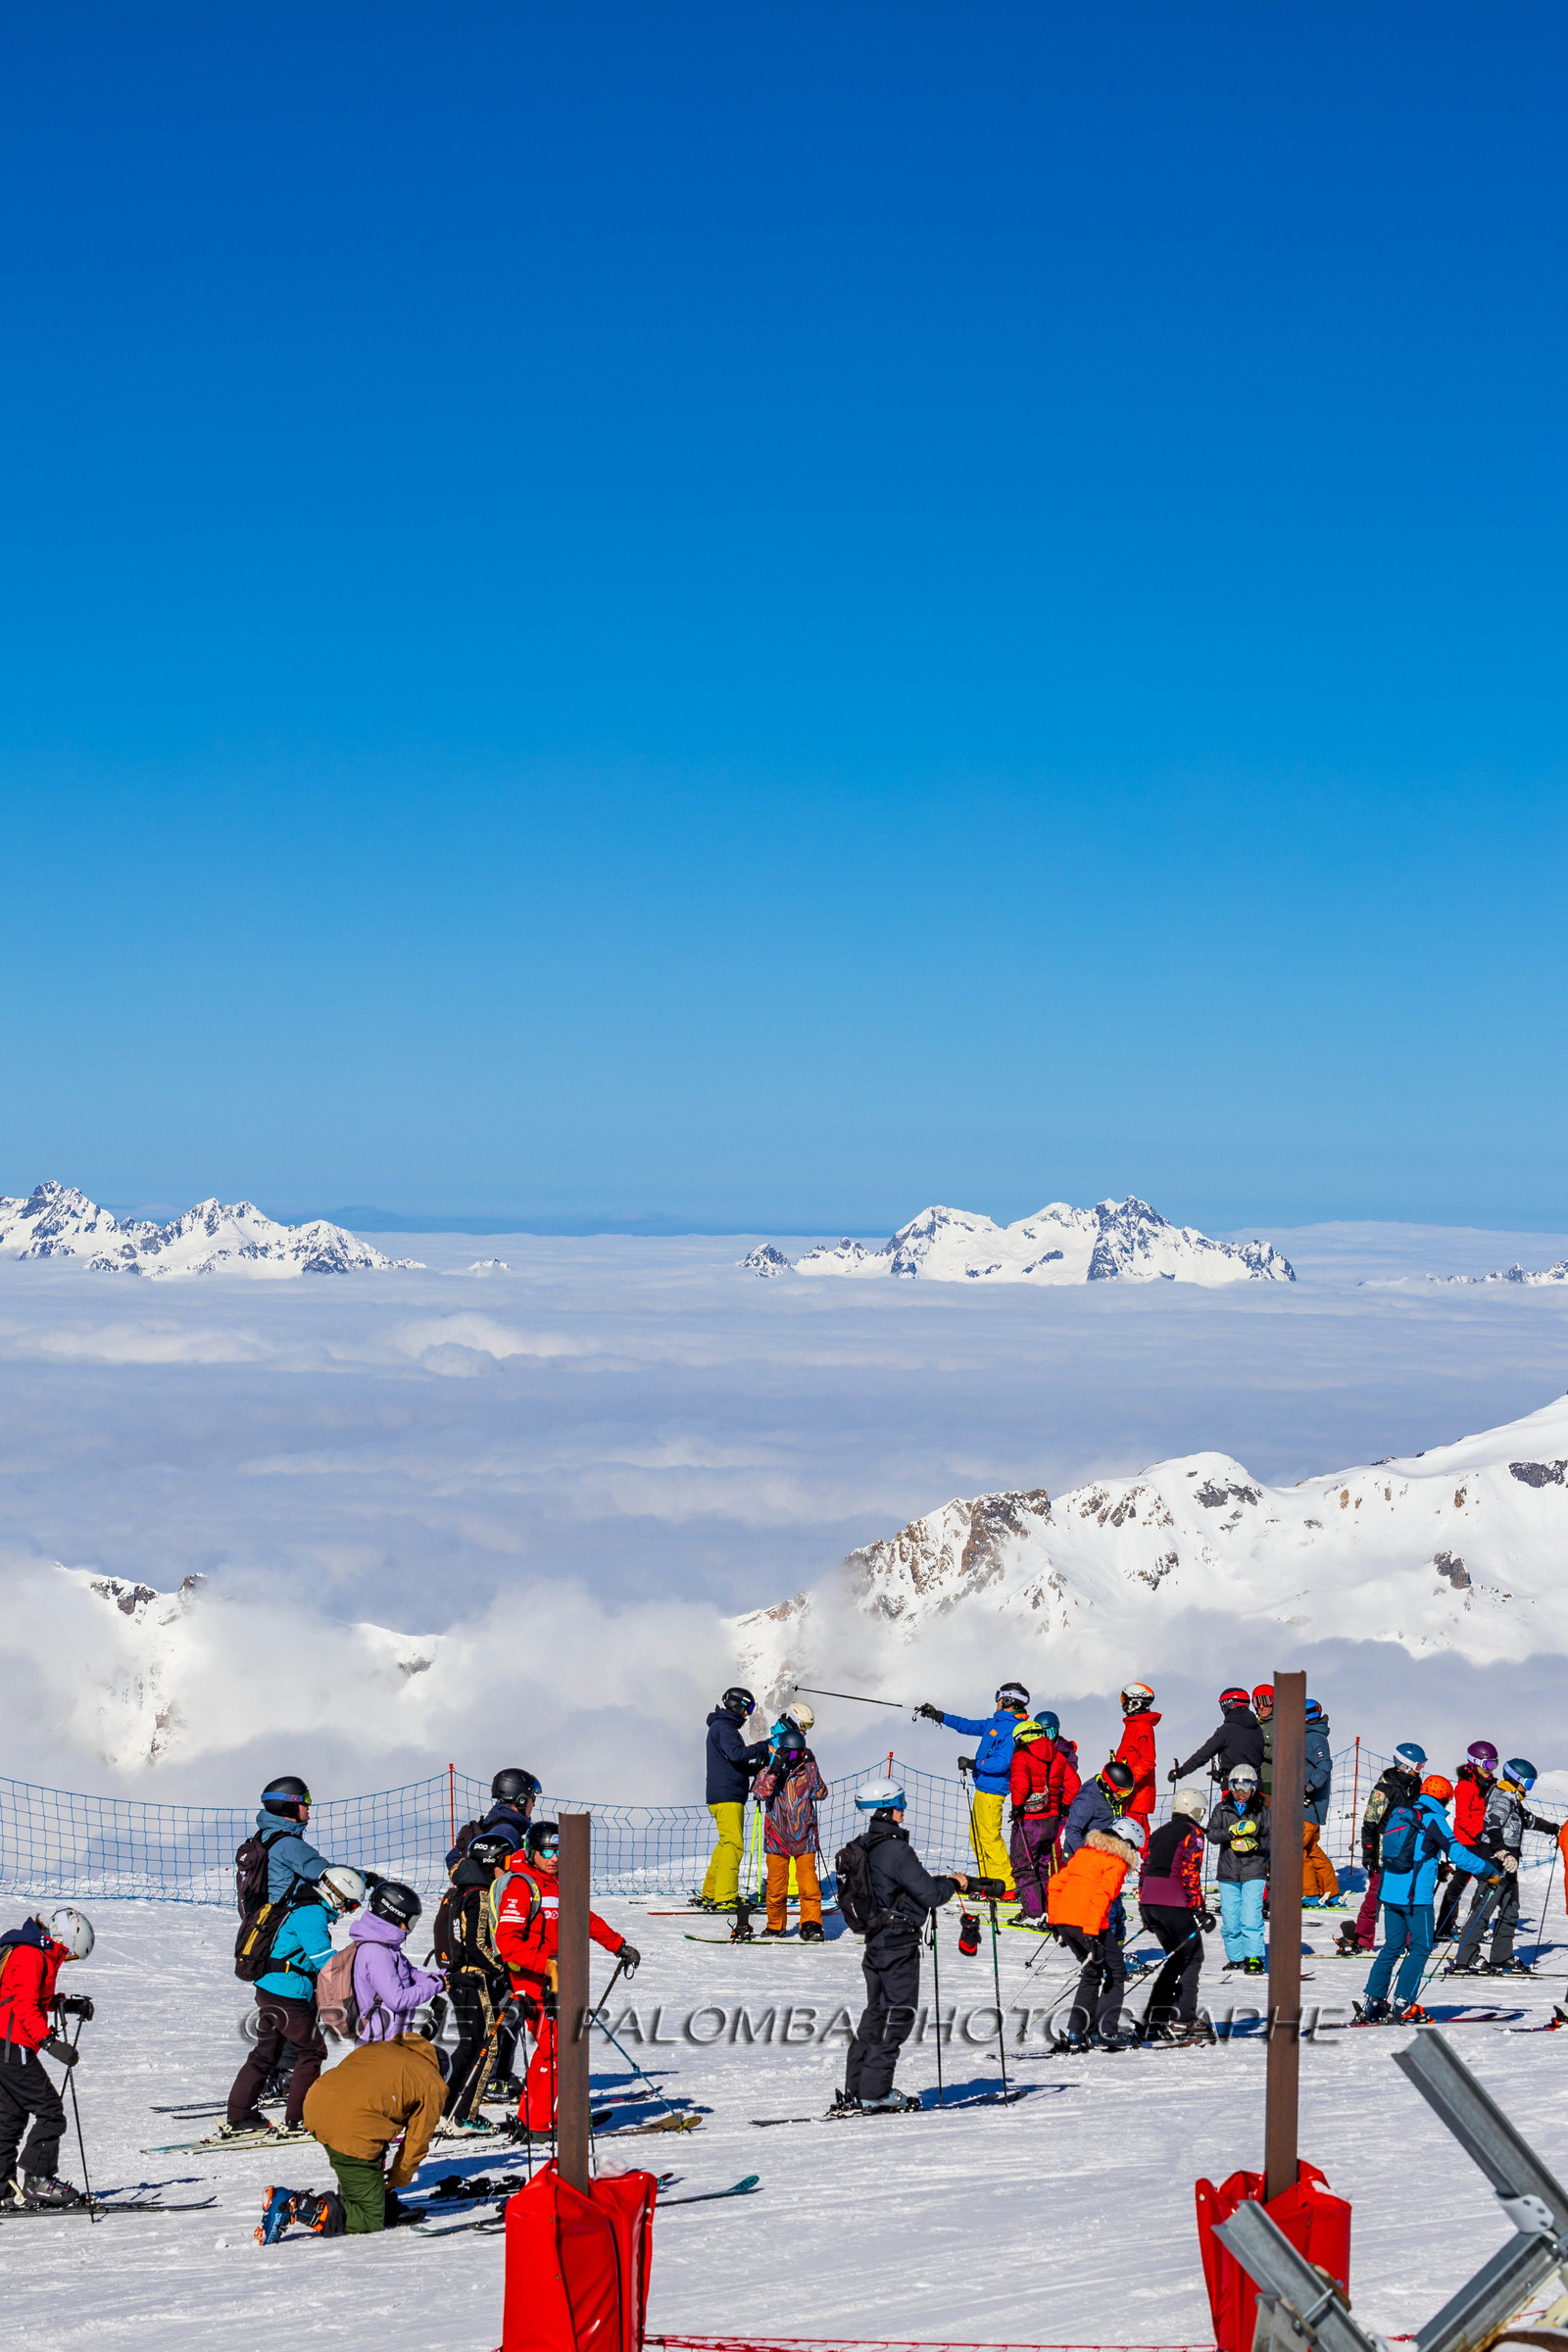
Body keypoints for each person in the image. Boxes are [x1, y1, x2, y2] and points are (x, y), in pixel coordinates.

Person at [493, 1820, 639, 2133]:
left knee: (561, 2048)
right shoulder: (522, 1886)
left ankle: (538, 2115)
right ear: (532, 1852)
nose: (554, 1856)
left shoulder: (560, 1885)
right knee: (554, 2049)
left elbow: (585, 1919)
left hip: (561, 1983)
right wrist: (545, 1964)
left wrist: (618, 1945)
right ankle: (539, 2123)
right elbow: (508, 1944)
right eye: (547, 1850)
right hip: (534, 1985)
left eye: (559, 1850)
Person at [261, 2007, 450, 2241]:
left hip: (316, 2104)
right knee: (369, 2217)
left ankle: (368, 2193)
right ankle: (298, 2206)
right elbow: (417, 2141)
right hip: (352, 2127)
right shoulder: (433, 2083)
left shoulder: (383, 2048)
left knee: (373, 2135)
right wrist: (398, 2179)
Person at [838, 1779, 969, 2114]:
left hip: (876, 1943)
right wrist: (953, 1882)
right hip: (898, 1944)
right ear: (885, 1809)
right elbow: (929, 1894)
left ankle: (857, 2087)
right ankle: (875, 2092)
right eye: (900, 1803)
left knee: (876, 2014)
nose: (903, 1809)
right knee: (898, 2017)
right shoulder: (895, 1849)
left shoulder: (865, 1844)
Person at [224, 1864, 366, 2140]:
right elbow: (325, 1961)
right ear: (337, 1895)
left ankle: (241, 2115)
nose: (348, 1911)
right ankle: (297, 2119)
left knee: (266, 2053)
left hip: (272, 1988)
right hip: (286, 1994)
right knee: (313, 2051)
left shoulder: (304, 1907)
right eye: (351, 1905)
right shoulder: (311, 1913)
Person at [1361, 1776, 1491, 2022]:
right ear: (1444, 1798)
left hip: (1389, 1893)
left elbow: (1411, 1852)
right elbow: (1459, 1854)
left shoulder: (1402, 1813)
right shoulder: (1434, 1820)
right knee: (1420, 1948)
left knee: (1392, 1947)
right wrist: (1489, 1871)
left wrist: (1435, 1869)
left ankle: (1374, 2000)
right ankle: (1403, 2003)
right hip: (1415, 1899)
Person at [0, 1906, 95, 2209]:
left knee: (10, 2118)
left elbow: (30, 1997)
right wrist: (52, 2044)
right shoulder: (31, 1955)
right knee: (50, 2110)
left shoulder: (32, 1950)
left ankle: (2, 2188)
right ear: (65, 1938)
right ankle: (38, 2180)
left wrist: (65, 2006)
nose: (67, 1959)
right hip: (11, 2044)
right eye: (69, 1953)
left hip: (6, 2042)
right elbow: (24, 2006)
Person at [915, 1682, 1031, 1896]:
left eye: (998, 1696)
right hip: (984, 1787)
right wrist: (938, 1716)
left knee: (988, 1837)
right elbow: (966, 1725)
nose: (996, 1701)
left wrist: (973, 1764)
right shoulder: (997, 1722)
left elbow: (1002, 1763)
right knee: (977, 1836)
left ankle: (1007, 1886)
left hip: (993, 1791)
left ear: (1007, 1700)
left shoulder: (1013, 1728)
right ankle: (991, 1882)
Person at [433, 1832, 514, 2128]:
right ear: (492, 1862)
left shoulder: (460, 1888)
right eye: (507, 1861)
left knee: (469, 2045)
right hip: (474, 1978)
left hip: (458, 1977)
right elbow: (477, 1945)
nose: (510, 1869)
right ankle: (463, 2116)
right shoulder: (480, 1893)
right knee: (486, 2046)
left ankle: (446, 2109)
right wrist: (503, 1969)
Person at [1047, 1814, 1145, 2050]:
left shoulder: (1084, 1853)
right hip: (1088, 1924)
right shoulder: (1116, 1862)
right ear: (1126, 1842)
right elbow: (1102, 1897)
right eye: (1134, 1847)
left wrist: (1054, 1921)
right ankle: (1104, 2030)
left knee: (1091, 1974)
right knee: (1116, 1972)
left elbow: (1055, 1884)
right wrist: (1091, 1934)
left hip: (1065, 1921)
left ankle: (1076, 2034)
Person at [1450, 1757, 1552, 1977]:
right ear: (1516, 1779)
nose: (1529, 1788)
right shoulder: (1502, 1798)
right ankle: (1465, 1959)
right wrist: (1502, 1851)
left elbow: (1529, 1820)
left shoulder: (1513, 1799)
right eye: (1528, 1782)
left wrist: (1554, 1829)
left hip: (1509, 1865)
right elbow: (1493, 1826)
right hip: (1495, 1862)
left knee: (1510, 1910)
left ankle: (1501, 1956)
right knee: (1483, 1910)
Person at [1137, 1789, 1214, 2044]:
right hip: (1173, 1902)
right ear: (1194, 1810)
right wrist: (1199, 1910)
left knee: (1175, 1959)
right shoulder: (1194, 1834)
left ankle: (1155, 2019)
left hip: (1151, 1901)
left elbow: (1145, 1868)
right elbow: (1189, 1871)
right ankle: (1183, 2019)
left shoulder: (1159, 1833)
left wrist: (1143, 1905)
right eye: (1201, 1811)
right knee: (1193, 1956)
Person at [1336, 1743, 1426, 1955]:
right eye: (1418, 1765)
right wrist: (1369, 1853)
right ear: (1404, 1765)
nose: (1420, 1769)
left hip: (1408, 1849)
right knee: (1376, 1895)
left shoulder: (1415, 1784)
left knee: (1406, 1895)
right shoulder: (1384, 1788)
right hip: (1384, 1851)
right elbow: (1370, 1823)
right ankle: (1361, 1938)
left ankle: (1408, 1940)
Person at [752, 1730, 830, 1939]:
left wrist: (811, 1765)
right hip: (777, 1839)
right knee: (776, 1887)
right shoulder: (768, 1771)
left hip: (805, 1838)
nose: (793, 1759)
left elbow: (820, 1793)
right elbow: (760, 1793)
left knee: (809, 1886)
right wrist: (775, 1770)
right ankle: (775, 1925)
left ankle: (811, 1925)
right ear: (781, 1752)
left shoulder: (806, 1771)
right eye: (789, 1754)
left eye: (798, 1754)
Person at [701, 1688, 772, 1912]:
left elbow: (732, 1762)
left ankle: (711, 1893)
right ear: (737, 1705)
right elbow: (736, 1754)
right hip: (728, 1795)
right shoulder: (724, 1727)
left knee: (725, 1844)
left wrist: (756, 1768)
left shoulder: (721, 1726)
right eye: (747, 1709)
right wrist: (762, 1746)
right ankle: (725, 1896)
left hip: (721, 1794)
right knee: (733, 1844)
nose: (747, 1715)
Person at [348, 1882, 446, 2040]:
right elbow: (397, 2001)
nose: (409, 1929)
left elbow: (411, 1975)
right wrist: (437, 1983)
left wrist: (446, 1977)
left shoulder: (386, 1948)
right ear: (394, 1916)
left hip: (394, 2037)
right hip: (381, 2044)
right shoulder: (377, 1953)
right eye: (410, 1921)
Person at [1206, 1761, 1270, 1977]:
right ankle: (1236, 1957)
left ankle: (1253, 1957)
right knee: (1231, 1919)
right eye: (1235, 1787)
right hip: (1228, 1872)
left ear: (1254, 1788)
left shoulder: (1262, 1811)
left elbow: (1273, 1839)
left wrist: (1256, 1844)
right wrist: (1230, 1833)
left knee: (1251, 1917)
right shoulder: (1222, 1808)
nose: (1240, 1793)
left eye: (1245, 1788)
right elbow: (1212, 1834)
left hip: (1254, 1871)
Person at [1435, 1741, 1498, 1942]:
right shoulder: (1465, 1786)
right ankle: (1444, 1927)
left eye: (1494, 1764)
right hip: (1468, 1841)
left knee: (1484, 1882)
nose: (1491, 1769)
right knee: (1460, 1883)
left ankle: (1475, 1924)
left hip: (1482, 1839)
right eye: (1487, 1765)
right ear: (1474, 1762)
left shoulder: (1488, 1784)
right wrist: (1479, 1835)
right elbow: (1462, 1818)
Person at [1007, 1717, 1061, 1925]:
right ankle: (1049, 1910)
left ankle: (1034, 1914)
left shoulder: (1022, 1755)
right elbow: (1072, 1784)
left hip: (1030, 1820)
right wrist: (1061, 1806)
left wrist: (1016, 1806)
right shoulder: (1057, 1755)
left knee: (1023, 1867)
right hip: (1052, 1819)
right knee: (1041, 1866)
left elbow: (1020, 1784)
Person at [252, 1775, 330, 1902]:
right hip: (288, 1914)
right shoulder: (288, 1843)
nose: (308, 1804)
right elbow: (325, 1872)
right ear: (290, 1805)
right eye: (305, 1799)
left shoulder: (264, 1836)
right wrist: (366, 1878)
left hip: (269, 1915)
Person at [448, 1768, 542, 1869]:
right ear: (521, 1800)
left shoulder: (491, 1823)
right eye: (533, 1798)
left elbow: (452, 1857)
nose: (533, 1804)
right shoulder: (507, 1833)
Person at [1168, 1689, 1264, 1788]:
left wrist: (1180, 1772)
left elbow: (1203, 1754)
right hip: (1256, 1786)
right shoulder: (1257, 1729)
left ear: (1230, 1705)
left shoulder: (1227, 1730)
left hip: (1234, 1788)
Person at [1301, 1699, 1342, 1905]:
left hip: (1307, 1805)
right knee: (1311, 1850)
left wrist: (1309, 1787)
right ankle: (1330, 1891)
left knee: (1296, 1849)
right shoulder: (1312, 1735)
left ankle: (1308, 1894)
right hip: (1312, 1805)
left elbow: (1324, 1765)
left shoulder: (1313, 1738)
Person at [1113, 1684, 1160, 1845]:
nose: (1123, 1703)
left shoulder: (1142, 1727)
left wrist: (1126, 1780)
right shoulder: (1134, 1725)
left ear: (1137, 1702)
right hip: (1128, 1794)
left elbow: (1147, 1760)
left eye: (1125, 1699)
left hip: (1137, 1795)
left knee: (1139, 1836)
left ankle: (1152, 1867)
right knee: (1128, 1835)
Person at [1062, 1757, 1136, 1856]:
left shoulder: (1113, 1797)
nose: (1123, 1796)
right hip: (1081, 1858)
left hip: (1102, 1854)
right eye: (1122, 1792)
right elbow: (1072, 1829)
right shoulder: (1087, 1799)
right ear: (1108, 1786)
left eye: (1128, 1792)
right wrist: (1085, 1854)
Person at [1252, 1687, 1275, 1800]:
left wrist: (1259, 1748)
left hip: (1271, 1786)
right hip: (1252, 1786)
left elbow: (1283, 1754)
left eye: (1266, 1701)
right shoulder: (1254, 1725)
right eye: (1257, 1702)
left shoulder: (1281, 1725)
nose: (1261, 1706)